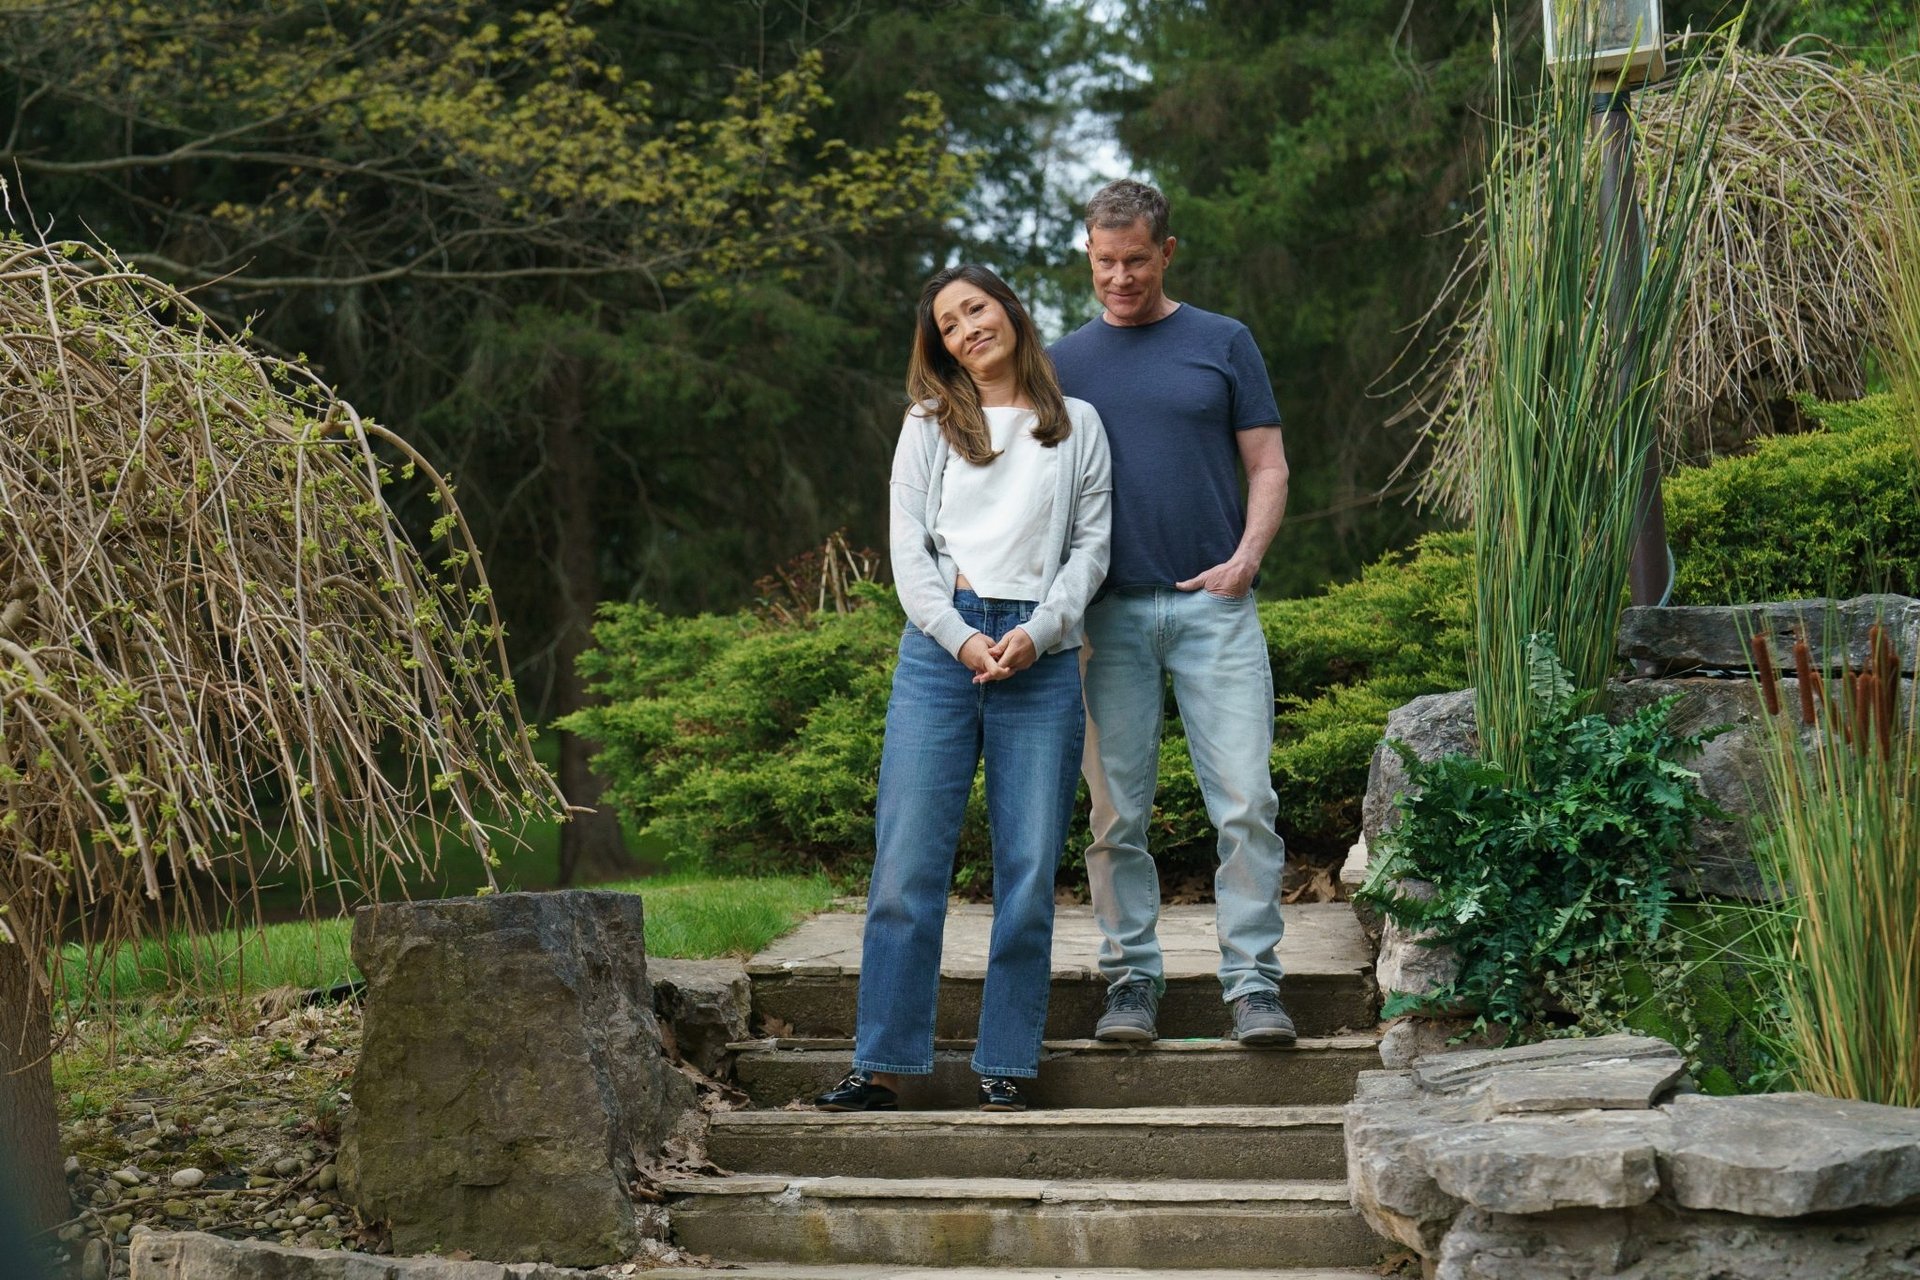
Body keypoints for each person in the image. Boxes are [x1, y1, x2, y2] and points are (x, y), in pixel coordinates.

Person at [814, 264, 1112, 1113]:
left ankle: (1008, 1060)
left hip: (1041, 655)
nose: (967, 329)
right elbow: (908, 548)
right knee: (907, 865)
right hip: (940, 653)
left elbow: (1092, 548)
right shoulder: (929, 423)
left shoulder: (1078, 426)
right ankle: (882, 1064)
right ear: (940, 347)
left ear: (1008, 310)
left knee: (1026, 870)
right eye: (948, 324)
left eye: (975, 308)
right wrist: (962, 635)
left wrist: (1038, 632)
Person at [1048, 178, 1296, 1047]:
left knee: (1245, 802)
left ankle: (1255, 985)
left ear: (1167, 252)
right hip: (1105, 619)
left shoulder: (1222, 341)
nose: (1121, 277)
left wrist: (1246, 560)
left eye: (1137, 261)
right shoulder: (1062, 363)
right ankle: (1129, 985)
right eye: (1105, 261)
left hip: (1213, 608)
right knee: (1115, 816)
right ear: (1088, 252)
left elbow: (1268, 464)